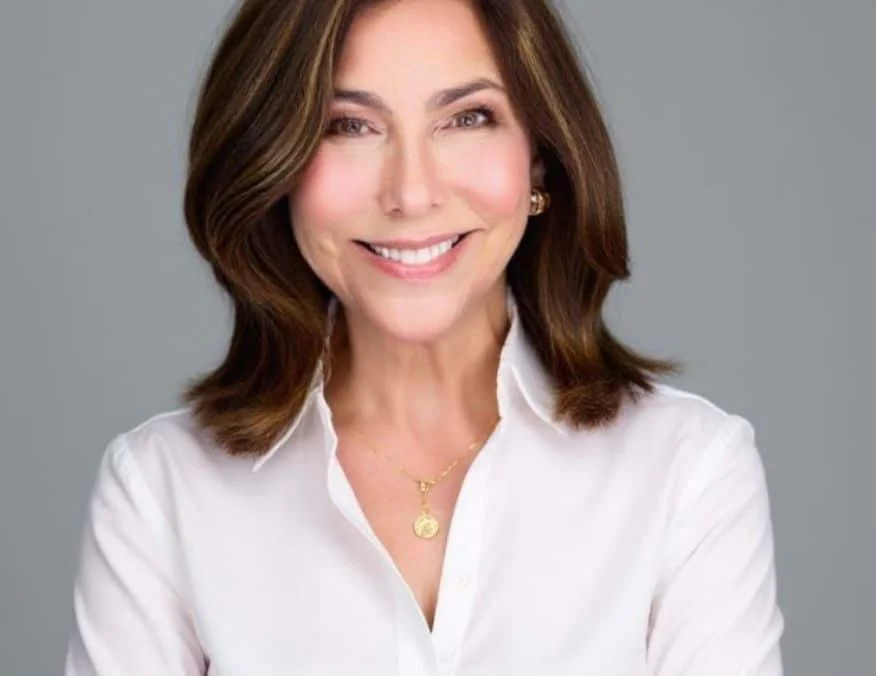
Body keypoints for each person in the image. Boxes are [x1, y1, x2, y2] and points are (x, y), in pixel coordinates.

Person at [64, 0, 785, 673]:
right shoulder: (161, 491)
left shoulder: (687, 475)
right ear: (275, 167)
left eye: (467, 118)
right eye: (347, 125)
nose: (411, 193)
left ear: (538, 158)